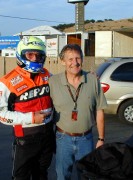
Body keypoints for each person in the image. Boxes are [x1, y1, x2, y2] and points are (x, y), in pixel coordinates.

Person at [0, 36, 55, 180]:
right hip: (25, 139)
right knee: (21, 176)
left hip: (47, 135)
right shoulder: (7, 82)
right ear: (21, 55)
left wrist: (88, 77)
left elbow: (66, 84)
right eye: (30, 54)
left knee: (41, 174)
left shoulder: (47, 75)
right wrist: (30, 118)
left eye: (39, 55)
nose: (35, 58)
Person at [49, 44, 107, 180]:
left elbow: (99, 111)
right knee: (62, 176)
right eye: (70, 59)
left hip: (86, 140)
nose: (75, 63)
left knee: (87, 175)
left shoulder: (93, 80)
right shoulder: (52, 82)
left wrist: (101, 138)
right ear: (62, 61)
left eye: (78, 58)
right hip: (62, 139)